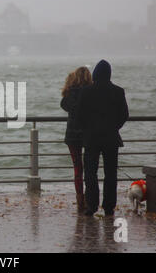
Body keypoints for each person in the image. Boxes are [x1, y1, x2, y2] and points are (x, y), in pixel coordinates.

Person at [76, 59, 129, 217]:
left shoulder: (86, 91)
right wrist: (114, 127)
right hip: (111, 138)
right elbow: (124, 115)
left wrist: (87, 130)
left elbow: (79, 116)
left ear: (95, 74)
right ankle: (109, 207)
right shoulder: (118, 91)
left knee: (91, 173)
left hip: (91, 139)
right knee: (111, 174)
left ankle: (91, 206)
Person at [60, 67, 92, 213]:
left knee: (77, 169)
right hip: (89, 135)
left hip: (72, 136)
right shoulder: (92, 92)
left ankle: (80, 201)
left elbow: (64, 105)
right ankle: (90, 199)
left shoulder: (70, 93)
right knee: (90, 168)